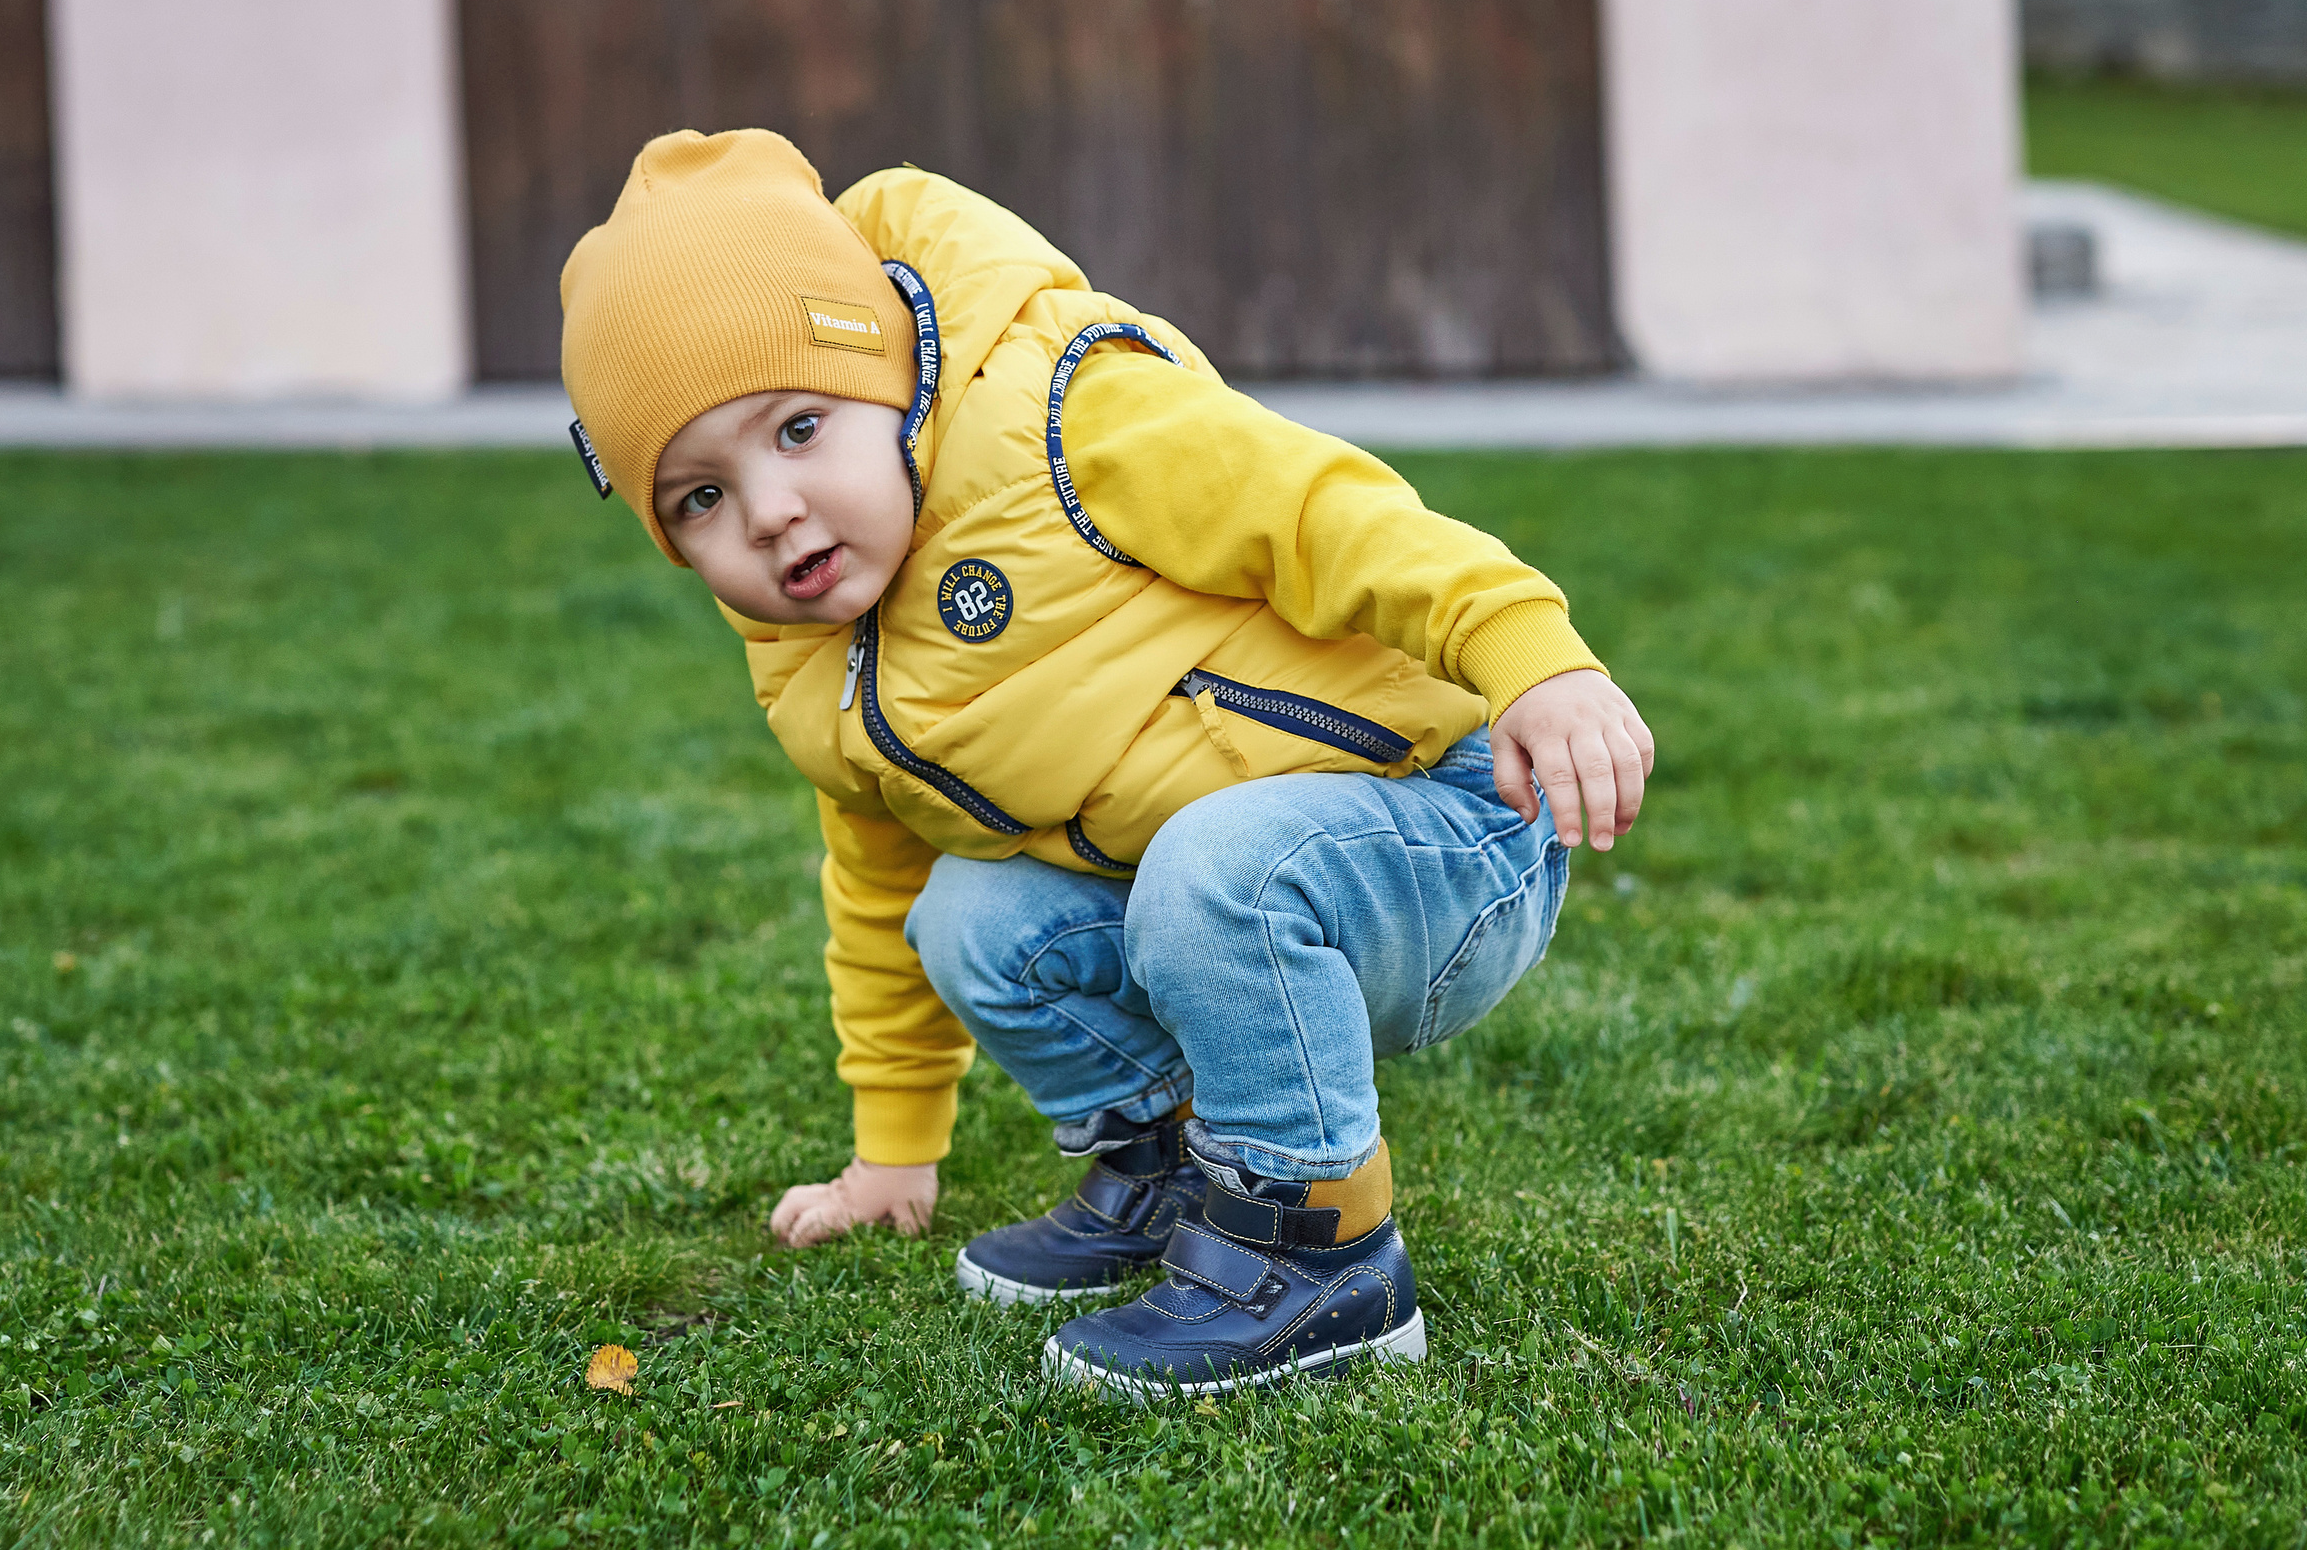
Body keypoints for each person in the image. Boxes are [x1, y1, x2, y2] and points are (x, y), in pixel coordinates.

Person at [558, 129, 1654, 1398]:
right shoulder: (818, 666)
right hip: (1224, 889)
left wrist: (1531, 655)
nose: (769, 510)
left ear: (893, 373)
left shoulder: (1063, 416)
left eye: (799, 427)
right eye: (697, 497)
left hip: (1447, 824)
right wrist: (892, 1153)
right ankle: (1177, 1167)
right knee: (963, 912)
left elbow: (1323, 511)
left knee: (1211, 867)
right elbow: (871, 899)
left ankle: (1323, 1261)